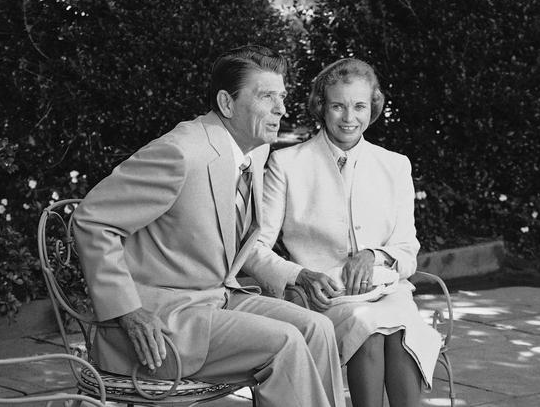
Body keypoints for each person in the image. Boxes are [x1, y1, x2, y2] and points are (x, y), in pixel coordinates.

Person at [72, 45, 345, 407]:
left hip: (217, 299)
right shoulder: (180, 152)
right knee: (285, 343)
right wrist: (128, 310)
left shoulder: (254, 149)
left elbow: (232, 242)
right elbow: (92, 220)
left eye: (281, 96)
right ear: (227, 104)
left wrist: (294, 275)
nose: (281, 108)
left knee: (318, 328)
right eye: (267, 97)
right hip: (162, 322)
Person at [243, 58, 441, 407]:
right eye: (338, 106)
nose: (350, 117)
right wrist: (300, 275)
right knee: (371, 331)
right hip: (321, 299)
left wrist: (374, 255)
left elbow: (407, 249)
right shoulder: (286, 164)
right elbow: (255, 247)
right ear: (322, 107)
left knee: (398, 329)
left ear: (373, 107)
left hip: (386, 292)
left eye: (360, 106)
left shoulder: (395, 165)